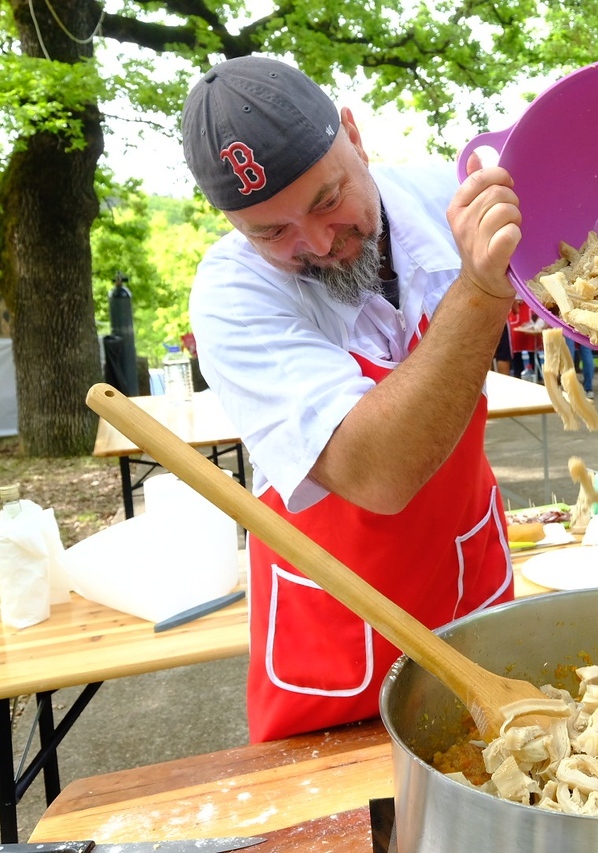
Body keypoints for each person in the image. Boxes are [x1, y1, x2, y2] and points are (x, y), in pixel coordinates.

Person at [182, 57, 521, 743]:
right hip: (339, 651)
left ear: (354, 135)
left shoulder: (446, 197)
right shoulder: (232, 295)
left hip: (472, 590)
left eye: (325, 199)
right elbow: (379, 471)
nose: (316, 244)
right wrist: (479, 294)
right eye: (269, 231)